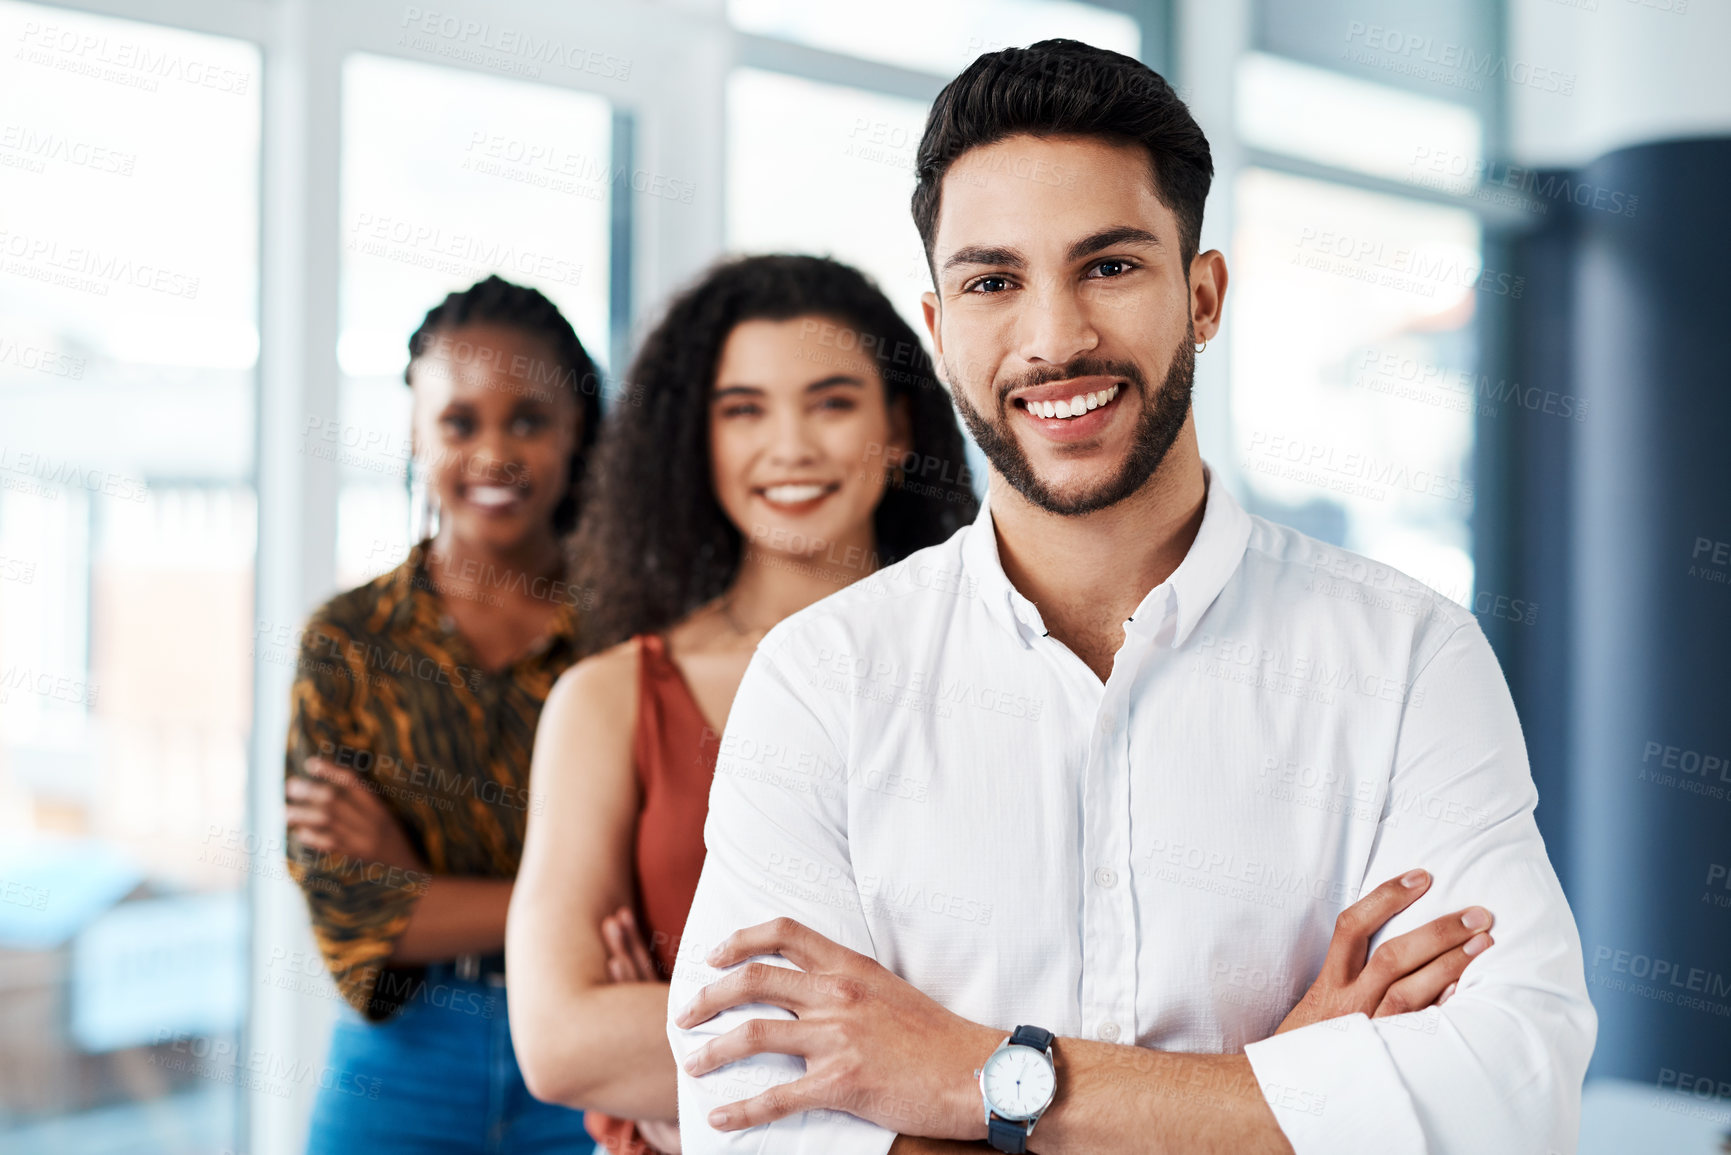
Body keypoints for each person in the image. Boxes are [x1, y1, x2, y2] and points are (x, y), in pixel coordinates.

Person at [665, 41, 1596, 1155]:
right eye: (992, 282)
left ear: (1202, 296)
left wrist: (981, 1082)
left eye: (1109, 266)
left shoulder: (1409, 660)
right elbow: (752, 1128)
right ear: (939, 327)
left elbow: (1506, 1099)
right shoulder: (824, 679)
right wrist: (1282, 1089)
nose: (1054, 339)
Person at [505, 254, 980, 1154]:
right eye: (743, 409)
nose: (791, 444)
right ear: (699, 440)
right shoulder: (608, 699)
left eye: (833, 401)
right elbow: (560, 1040)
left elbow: (1060, 1009)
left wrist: (697, 1062)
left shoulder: (992, 668)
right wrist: (934, 1063)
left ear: (897, 427)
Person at [283, 275, 604, 1154]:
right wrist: (564, 900)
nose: (494, 452)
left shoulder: (628, 639)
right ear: (417, 435)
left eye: (528, 420)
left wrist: (416, 889)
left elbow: (660, 894)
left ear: (577, 432)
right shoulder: (348, 641)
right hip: (405, 1056)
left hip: (596, 1036)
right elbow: (354, 910)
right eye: (460, 422)